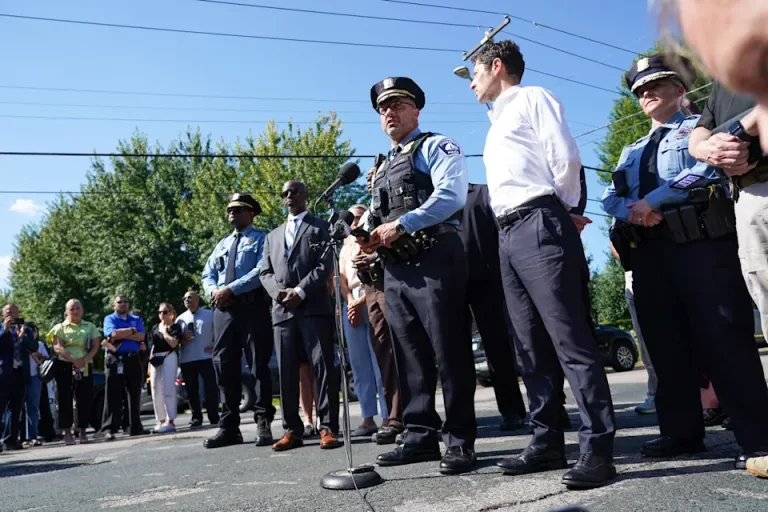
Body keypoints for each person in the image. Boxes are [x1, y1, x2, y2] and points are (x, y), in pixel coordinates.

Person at [602, 54, 768, 470]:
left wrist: (651, 201)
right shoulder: (631, 149)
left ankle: (757, 437)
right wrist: (631, 212)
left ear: (680, 89)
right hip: (649, 254)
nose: (646, 95)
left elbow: (708, 170)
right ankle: (680, 432)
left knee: (724, 339)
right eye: (639, 90)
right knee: (664, 346)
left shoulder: (700, 130)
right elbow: (609, 195)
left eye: (655, 85)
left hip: (701, 246)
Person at [470, 40, 616, 488]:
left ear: (497, 67)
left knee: (570, 340)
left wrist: (564, 210)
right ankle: (547, 441)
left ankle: (597, 450)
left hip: (539, 219)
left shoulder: (532, 98)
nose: (471, 82)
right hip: (508, 233)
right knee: (528, 346)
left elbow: (565, 157)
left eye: (474, 72)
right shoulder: (496, 122)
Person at [357, 76, 476, 475]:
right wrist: (368, 240)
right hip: (396, 269)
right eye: (383, 108)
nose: (389, 112)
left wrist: (404, 224)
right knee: (408, 355)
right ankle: (420, 435)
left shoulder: (436, 147)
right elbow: (377, 216)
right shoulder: (382, 166)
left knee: (450, 351)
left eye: (397, 104)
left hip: (435, 258)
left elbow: (451, 195)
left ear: (416, 110)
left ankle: (459, 441)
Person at [259, 180, 341, 452]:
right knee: (286, 373)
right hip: (282, 312)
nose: (289, 196)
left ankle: (328, 427)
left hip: (313, 307)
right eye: (284, 193)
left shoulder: (322, 227)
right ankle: (292, 430)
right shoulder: (272, 236)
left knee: (324, 368)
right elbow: (265, 273)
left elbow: (324, 264)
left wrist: (301, 290)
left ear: (306, 195)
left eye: (294, 192)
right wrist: (279, 292)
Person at [202, 193, 275, 449]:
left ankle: (263, 421)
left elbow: (260, 271)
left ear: (251, 213)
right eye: (230, 209)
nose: (232, 213)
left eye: (239, 209)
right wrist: (213, 291)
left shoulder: (261, 239)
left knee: (258, 367)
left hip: (251, 308)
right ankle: (229, 427)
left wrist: (230, 288)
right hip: (223, 311)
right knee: (223, 366)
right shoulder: (221, 244)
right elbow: (208, 273)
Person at [460, 182, 527, 429]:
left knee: (498, 349)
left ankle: (512, 411)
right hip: (449, 286)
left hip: (486, 280)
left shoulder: (481, 193)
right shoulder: (432, 199)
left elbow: (501, 231)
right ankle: (463, 419)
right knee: (456, 355)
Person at [340, 204, 388, 436]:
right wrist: (350, 301)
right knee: (360, 367)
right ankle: (367, 418)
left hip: (373, 301)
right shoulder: (345, 245)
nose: (354, 223)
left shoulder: (374, 237)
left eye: (358, 217)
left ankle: (389, 416)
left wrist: (359, 303)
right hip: (351, 307)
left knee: (382, 362)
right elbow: (341, 278)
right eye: (352, 219)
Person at [609, 242, 657, 414]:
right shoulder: (620, 216)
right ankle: (656, 394)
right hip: (635, 275)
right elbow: (614, 243)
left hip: (664, 265)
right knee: (646, 344)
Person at [47, 299, 101, 445]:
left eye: (78, 308)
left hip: (84, 365)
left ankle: (83, 431)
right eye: (72, 309)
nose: (75, 311)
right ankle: (67, 432)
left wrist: (84, 360)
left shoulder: (90, 326)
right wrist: (73, 360)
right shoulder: (60, 327)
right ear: (67, 311)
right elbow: (57, 347)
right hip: (64, 365)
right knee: (64, 399)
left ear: (82, 310)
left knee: (84, 398)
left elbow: (95, 346)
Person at [99, 295, 149, 440]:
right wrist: (132, 331)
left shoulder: (136, 319)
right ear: (114, 305)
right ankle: (108, 428)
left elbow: (141, 337)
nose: (123, 304)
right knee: (113, 394)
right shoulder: (110, 319)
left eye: (125, 302)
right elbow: (112, 334)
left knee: (134, 394)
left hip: (133, 358)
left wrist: (124, 334)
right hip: (115, 359)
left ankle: (133, 427)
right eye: (119, 302)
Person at [176, 291, 219, 429]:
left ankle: (214, 416)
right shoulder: (180, 319)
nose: (187, 300)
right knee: (191, 390)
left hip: (206, 357)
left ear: (197, 299)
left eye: (190, 297)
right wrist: (182, 338)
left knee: (210, 388)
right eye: (185, 298)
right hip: (187, 359)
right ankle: (196, 417)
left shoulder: (209, 314)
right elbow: (175, 340)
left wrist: (214, 346)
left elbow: (218, 332)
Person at [0, 303, 38, 451]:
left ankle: (10, 440)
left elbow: (34, 347)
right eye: (9, 312)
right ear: (3, 314)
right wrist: (5, 329)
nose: (13, 315)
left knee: (15, 409)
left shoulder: (25, 329)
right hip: (4, 374)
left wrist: (23, 338)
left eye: (15, 312)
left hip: (20, 373)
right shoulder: (2, 329)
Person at [148, 303, 182, 434]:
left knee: (168, 387)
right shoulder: (155, 327)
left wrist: (164, 332)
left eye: (165, 312)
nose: (162, 315)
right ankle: (161, 420)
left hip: (168, 356)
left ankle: (170, 420)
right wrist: (150, 364)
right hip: (156, 358)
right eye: (160, 312)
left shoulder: (175, 327)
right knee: (156, 389)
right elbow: (153, 346)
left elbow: (174, 343)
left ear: (171, 313)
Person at [25, 323, 48, 446]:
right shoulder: (19, 342)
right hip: (20, 377)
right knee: (15, 409)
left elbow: (46, 360)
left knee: (33, 408)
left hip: (35, 377)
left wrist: (38, 355)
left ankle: (32, 436)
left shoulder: (39, 345)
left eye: (33, 331)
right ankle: (19, 436)